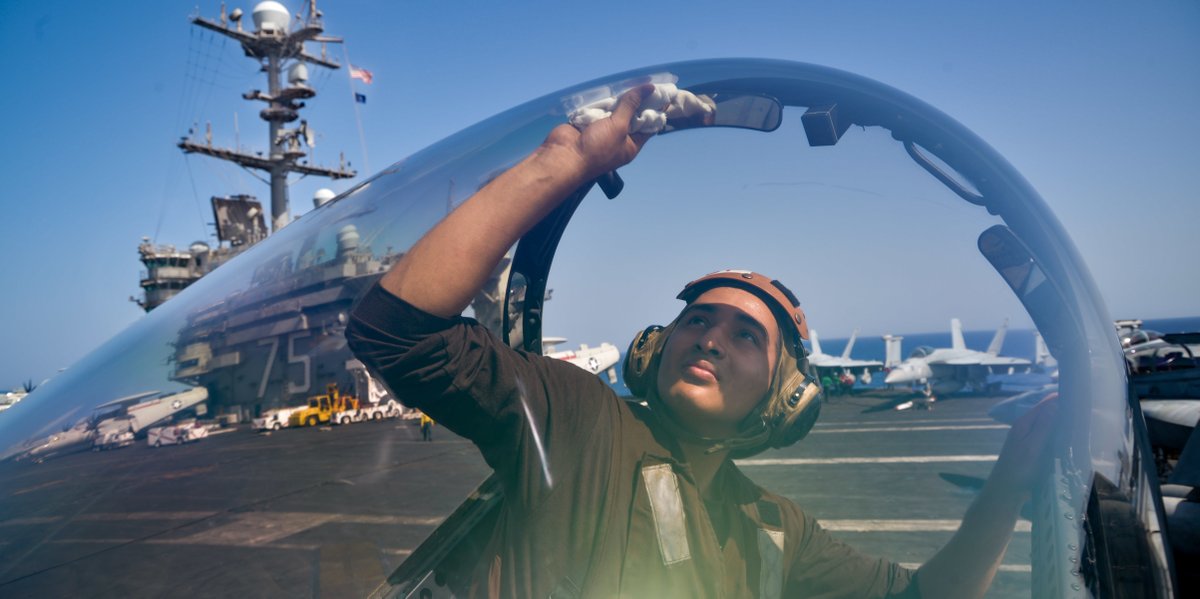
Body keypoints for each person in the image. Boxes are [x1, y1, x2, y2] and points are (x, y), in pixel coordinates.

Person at [347, 85, 1057, 598]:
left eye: (746, 335)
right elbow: (397, 331)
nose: (711, 337)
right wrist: (563, 162)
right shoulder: (578, 421)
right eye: (697, 320)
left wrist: (1008, 486)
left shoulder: (776, 531)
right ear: (655, 348)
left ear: (787, 395)